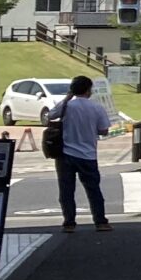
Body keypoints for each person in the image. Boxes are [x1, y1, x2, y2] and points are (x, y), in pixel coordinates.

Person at [50, 74, 113, 232]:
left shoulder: (67, 106)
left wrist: (67, 98)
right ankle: (100, 221)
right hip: (88, 154)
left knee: (66, 190)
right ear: (88, 90)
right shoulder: (97, 107)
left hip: (66, 154)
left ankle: (69, 223)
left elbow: (51, 115)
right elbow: (104, 130)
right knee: (93, 190)